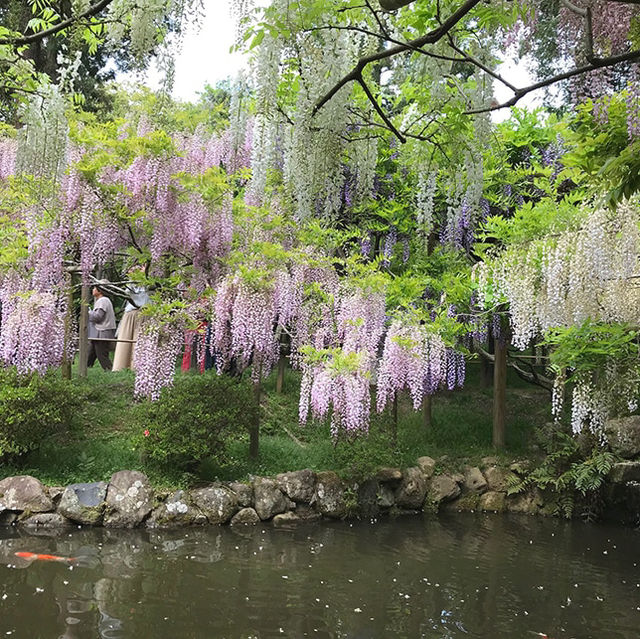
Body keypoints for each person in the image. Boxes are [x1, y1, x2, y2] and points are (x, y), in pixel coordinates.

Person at [112, 271, 150, 372]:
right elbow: (127, 292)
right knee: (125, 340)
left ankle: (138, 367)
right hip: (132, 313)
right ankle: (121, 366)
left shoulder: (151, 283)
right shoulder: (132, 283)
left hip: (145, 313)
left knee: (140, 340)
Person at [87, 284, 116, 371]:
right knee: (92, 352)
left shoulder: (102, 301)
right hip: (100, 331)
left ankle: (109, 369)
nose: (93, 289)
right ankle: (86, 367)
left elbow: (97, 317)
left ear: (99, 291)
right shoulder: (103, 300)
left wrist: (88, 312)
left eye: (94, 288)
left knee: (101, 353)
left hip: (102, 331)